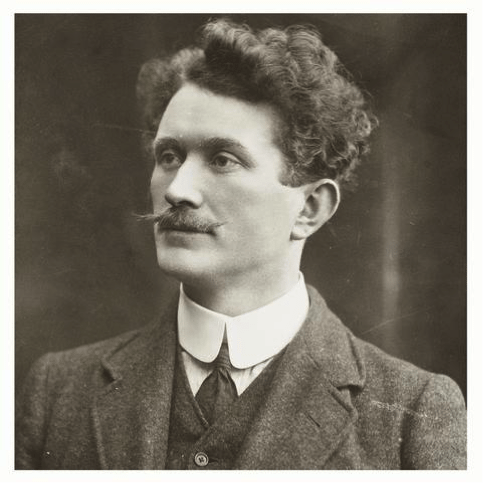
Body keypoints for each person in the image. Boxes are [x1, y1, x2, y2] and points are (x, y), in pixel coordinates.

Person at [15, 18, 466, 470]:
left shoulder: (413, 412)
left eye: (222, 160)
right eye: (169, 156)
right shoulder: (58, 391)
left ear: (310, 208)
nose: (177, 190)